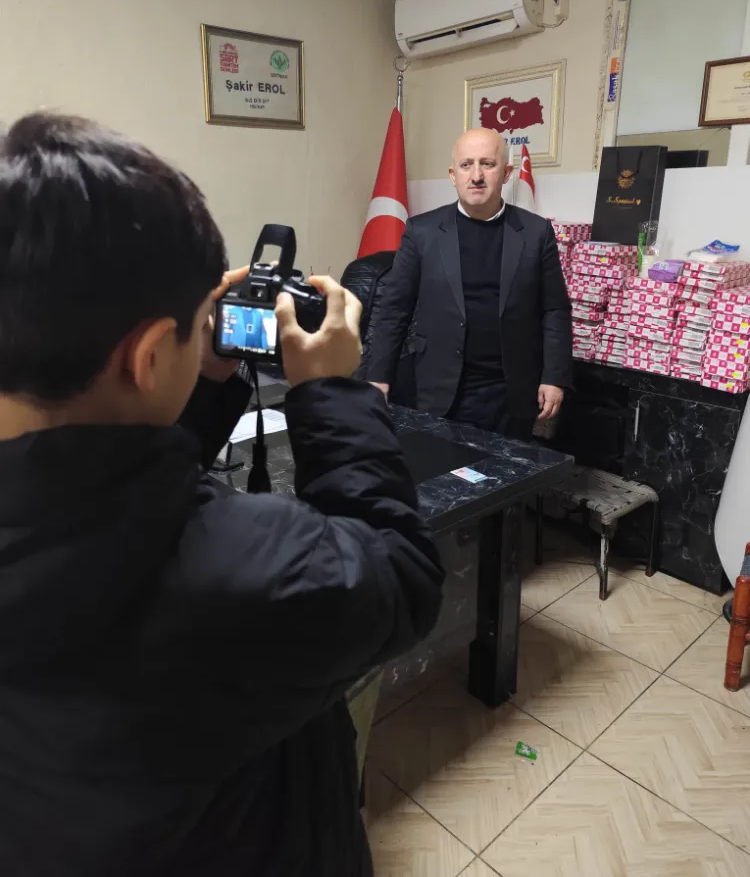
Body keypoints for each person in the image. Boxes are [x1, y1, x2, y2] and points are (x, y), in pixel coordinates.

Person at [0, 113, 444, 876]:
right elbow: (401, 573)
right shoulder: (250, 565)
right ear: (146, 356)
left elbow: (104, 480)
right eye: (197, 325)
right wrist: (332, 394)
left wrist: (201, 381)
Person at [367, 128, 572, 440]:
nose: (476, 176)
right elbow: (394, 309)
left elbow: (554, 309)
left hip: (511, 391)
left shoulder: (536, 233)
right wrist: (378, 377)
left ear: (506, 173)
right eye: (466, 165)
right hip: (440, 387)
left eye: (487, 164)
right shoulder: (422, 232)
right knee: (439, 468)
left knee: (510, 470)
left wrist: (554, 376)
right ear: (453, 175)